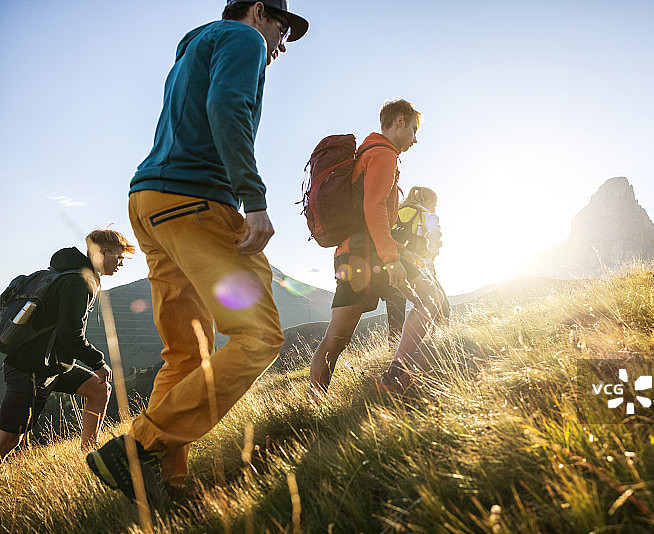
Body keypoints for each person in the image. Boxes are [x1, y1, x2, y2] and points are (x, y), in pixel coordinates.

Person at [86, 0, 308, 507]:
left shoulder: (192, 49)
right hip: (196, 201)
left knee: (186, 352)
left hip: (150, 201)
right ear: (257, 11)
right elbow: (227, 109)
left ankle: (168, 481)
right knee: (258, 336)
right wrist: (254, 200)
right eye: (282, 27)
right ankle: (137, 446)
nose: (282, 44)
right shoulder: (243, 39)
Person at [309, 99, 447, 397]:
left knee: (335, 339)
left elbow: (369, 214)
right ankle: (396, 373)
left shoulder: (369, 152)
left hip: (352, 252)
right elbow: (374, 209)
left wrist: (400, 250)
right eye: (412, 129)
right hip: (371, 254)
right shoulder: (384, 154)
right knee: (430, 298)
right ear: (399, 121)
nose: (415, 137)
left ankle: (313, 403)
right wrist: (391, 257)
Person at [0, 229, 133, 463]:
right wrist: (98, 362)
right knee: (10, 439)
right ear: (103, 252)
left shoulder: (73, 274)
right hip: (28, 367)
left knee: (99, 389)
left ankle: (88, 456)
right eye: (119, 256)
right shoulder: (80, 281)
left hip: (52, 366)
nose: (121, 263)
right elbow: (70, 332)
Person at [384, 186, 448, 341]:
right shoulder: (427, 215)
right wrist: (430, 258)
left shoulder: (396, 212)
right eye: (434, 203)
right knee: (440, 305)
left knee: (395, 317)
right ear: (426, 201)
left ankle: (393, 354)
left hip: (393, 266)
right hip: (419, 267)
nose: (434, 208)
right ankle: (441, 343)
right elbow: (435, 239)